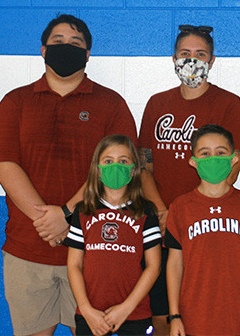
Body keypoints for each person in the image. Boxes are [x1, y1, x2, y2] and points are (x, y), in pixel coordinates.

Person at [0, 14, 138, 335]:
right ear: (42, 50)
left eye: (75, 43)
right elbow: (4, 163)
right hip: (27, 249)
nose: (65, 48)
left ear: (87, 54)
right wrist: (48, 221)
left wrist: (67, 214)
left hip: (94, 253)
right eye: (57, 42)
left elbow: (119, 169)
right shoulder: (15, 102)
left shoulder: (112, 105)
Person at [137, 24, 240, 334]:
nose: (192, 60)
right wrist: (162, 211)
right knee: (161, 314)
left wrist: (190, 212)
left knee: (203, 306)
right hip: (159, 220)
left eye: (200, 54)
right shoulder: (157, 103)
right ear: (173, 58)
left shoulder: (228, 103)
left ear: (212, 61)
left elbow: (233, 166)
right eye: (185, 54)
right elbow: (144, 166)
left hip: (207, 222)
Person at [166, 124, 240, 336]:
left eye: (220, 152)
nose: (213, 158)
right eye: (205, 153)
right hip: (194, 320)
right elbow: (175, 264)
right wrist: (174, 316)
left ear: (234, 159)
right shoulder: (180, 206)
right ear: (193, 162)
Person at [65, 135, 162, 336]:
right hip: (91, 313)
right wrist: (85, 309)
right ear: (97, 169)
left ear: (133, 169)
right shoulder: (83, 211)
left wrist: (126, 308)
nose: (115, 166)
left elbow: (153, 266)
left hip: (134, 313)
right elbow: (74, 265)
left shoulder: (146, 211)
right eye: (108, 161)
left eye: (123, 161)